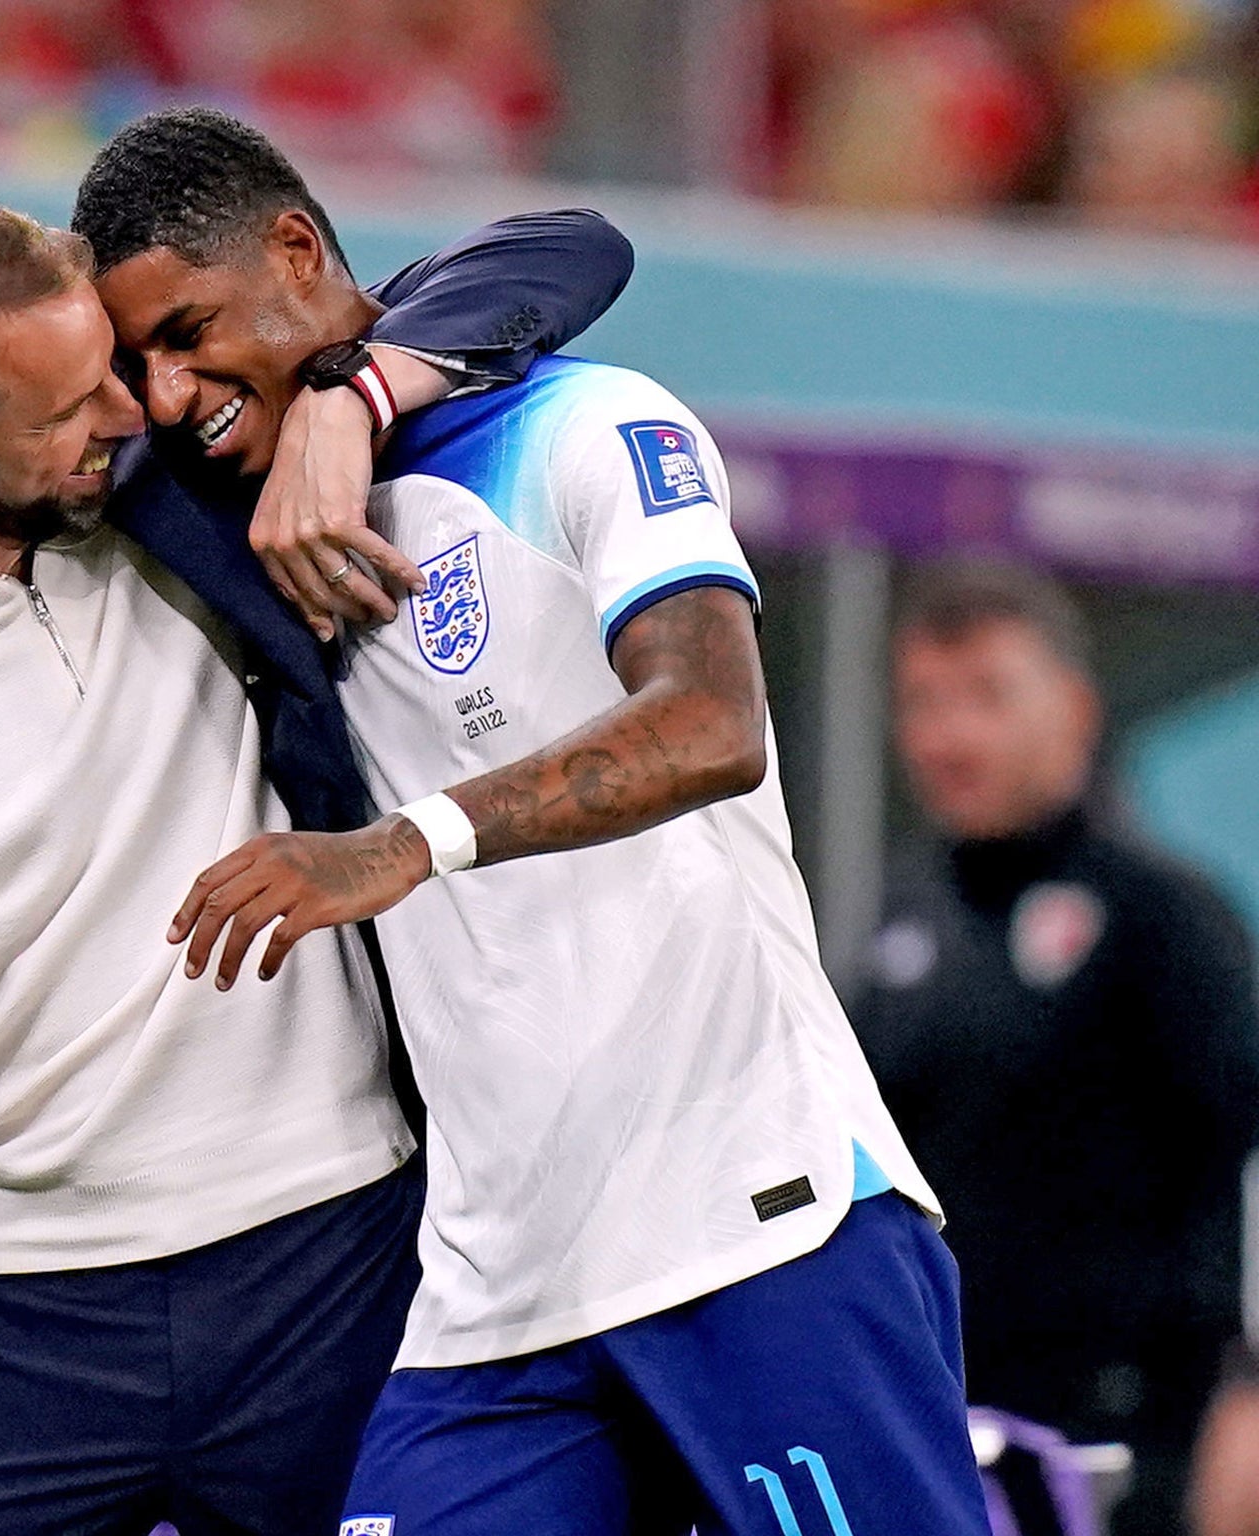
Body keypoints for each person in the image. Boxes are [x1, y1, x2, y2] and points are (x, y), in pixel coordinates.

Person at [0, 184, 634, 1536]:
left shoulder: (184, 458)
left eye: (107, 368)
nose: (128, 412)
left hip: (337, 1267)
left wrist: (355, 400)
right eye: (60, 413)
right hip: (0, 1339)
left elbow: (566, 252)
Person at [85, 107, 989, 1534]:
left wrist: (404, 844)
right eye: (140, 361)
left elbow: (708, 725)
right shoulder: (211, 516)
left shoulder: (584, 424)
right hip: (493, 1295)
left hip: (758, 1221)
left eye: (189, 330)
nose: (170, 385)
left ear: (298, 250)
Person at [850, 561, 1259, 1536]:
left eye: (986, 696)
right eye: (923, 702)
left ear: (1072, 709)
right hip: (941, 1428)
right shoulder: (899, 921)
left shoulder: (1164, 916)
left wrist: (1246, 1391)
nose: (949, 735)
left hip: (1129, 1441)